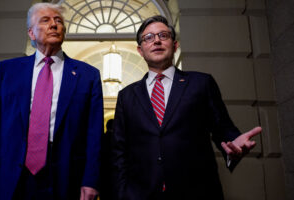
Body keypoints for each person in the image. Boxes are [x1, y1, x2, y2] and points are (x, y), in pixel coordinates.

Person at [110, 15, 262, 200]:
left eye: (163, 35)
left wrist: (234, 144)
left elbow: (222, 128)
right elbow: (118, 151)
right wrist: (122, 193)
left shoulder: (201, 83)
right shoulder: (126, 96)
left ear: (175, 45)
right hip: (141, 194)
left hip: (196, 192)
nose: (156, 40)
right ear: (140, 50)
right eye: (148, 37)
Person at [0, 3, 104, 200]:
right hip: (12, 172)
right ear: (31, 33)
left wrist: (91, 180)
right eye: (45, 20)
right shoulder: (7, 70)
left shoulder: (88, 75)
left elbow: (94, 133)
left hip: (65, 175)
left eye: (58, 21)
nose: (54, 25)